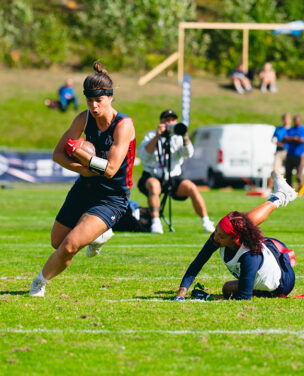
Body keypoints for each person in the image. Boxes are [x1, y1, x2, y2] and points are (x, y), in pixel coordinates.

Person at [30, 62, 136, 297]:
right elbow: (57, 154)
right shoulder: (83, 118)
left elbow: (110, 170)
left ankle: (39, 283)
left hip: (112, 196)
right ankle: (98, 234)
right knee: (58, 243)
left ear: (110, 97)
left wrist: (82, 155)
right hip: (85, 187)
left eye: (99, 100)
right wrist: (82, 169)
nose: (94, 106)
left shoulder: (124, 125)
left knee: (70, 246)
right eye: (90, 101)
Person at [174, 171, 297, 301]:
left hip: (283, 282)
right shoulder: (219, 237)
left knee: (228, 288)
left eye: (221, 236)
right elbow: (198, 262)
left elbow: (244, 298)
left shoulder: (250, 256)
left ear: (234, 238)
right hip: (269, 249)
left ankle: (281, 195)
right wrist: (181, 293)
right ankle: (281, 195)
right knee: (242, 223)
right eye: (216, 231)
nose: (215, 237)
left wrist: (209, 297)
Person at [137, 109, 215, 234]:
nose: (170, 123)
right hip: (152, 175)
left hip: (174, 177)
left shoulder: (179, 138)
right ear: (161, 122)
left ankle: (206, 222)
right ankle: (156, 223)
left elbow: (188, 153)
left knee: (191, 187)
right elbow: (144, 155)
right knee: (154, 185)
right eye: (167, 120)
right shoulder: (151, 135)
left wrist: (184, 135)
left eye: (172, 120)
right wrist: (158, 135)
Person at [283, 115, 304, 189]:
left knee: (299, 174)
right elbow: (285, 139)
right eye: (294, 121)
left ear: (300, 121)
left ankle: (302, 190)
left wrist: (291, 139)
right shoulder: (290, 130)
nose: (295, 122)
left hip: (299, 155)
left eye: (297, 121)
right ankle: (289, 190)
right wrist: (295, 139)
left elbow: (302, 140)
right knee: (288, 174)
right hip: (290, 154)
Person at [269, 113, 291, 188]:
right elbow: (273, 138)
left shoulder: (291, 130)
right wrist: (277, 142)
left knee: (288, 171)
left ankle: (287, 188)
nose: (286, 121)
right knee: (275, 170)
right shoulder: (278, 129)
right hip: (279, 151)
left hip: (288, 151)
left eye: (287, 119)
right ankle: (270, 187)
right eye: (285, 119)